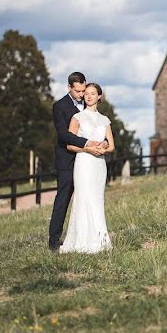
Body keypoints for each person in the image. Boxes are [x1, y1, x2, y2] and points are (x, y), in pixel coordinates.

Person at [48, 72, 107, 251]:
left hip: (88, 162)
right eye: (78, 91)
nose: (82, 95)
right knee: (63, 198)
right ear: (69, 88)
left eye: (83, 90)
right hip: (67, 160)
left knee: (88, 198)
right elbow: (64, 135)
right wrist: (87, 143)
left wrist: (101, 142)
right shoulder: (59, 106)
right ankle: (54, 240)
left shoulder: (90, 104)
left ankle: (87, 237)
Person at [60, 82, 115, 253]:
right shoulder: (77, 118)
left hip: (99, 165)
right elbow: (70, 145)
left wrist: (104, 147)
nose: (89, 96)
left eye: (93, 93)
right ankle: (82, 241)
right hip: (83, 163)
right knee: (83, 199)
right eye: (87, 93)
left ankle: (100, 240)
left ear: (99, 96)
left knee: (97, 200)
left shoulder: (105, 120)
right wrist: (88, 148)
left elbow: (112, 146)